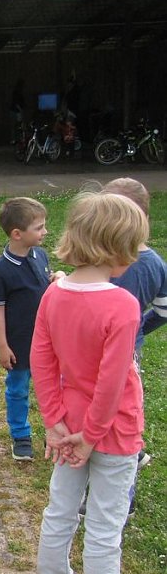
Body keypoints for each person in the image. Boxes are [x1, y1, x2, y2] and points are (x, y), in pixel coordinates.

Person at [31, 192, 148, 574]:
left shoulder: (54, 293)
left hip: (69, 426)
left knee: (60, 512)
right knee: (103, 528)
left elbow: (41, 360)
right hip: (111, 431)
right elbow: (113, 381)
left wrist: (55, 422)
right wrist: (92, 435)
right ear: (119, 248)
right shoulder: (123, 305)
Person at [80, 177, 165, 516]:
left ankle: (122, 498)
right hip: (113, 351)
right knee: (110, 417)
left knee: (122, 423)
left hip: (114, 356)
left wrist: (135, 330)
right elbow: (162, 311)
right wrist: (140, 329)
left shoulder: (116, 263)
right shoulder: (151, 261)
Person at [0, 197, 55, 461]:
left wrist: (57, 279)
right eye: (39, 228)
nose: (45, 232)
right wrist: (3, 346)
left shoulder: (41, 255)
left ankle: (58, 431)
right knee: (18, 389)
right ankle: (21, 435)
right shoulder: (2, 269)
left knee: (54, 387)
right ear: (17, 234)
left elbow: (46, 291)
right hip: (20, 342)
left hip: (49, 341)